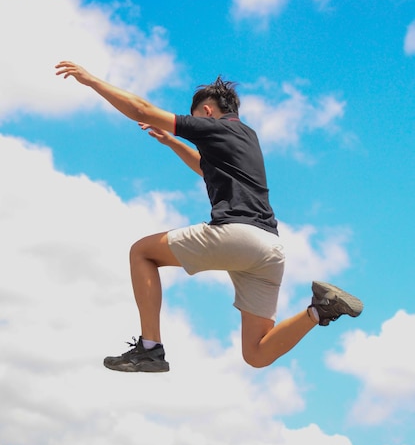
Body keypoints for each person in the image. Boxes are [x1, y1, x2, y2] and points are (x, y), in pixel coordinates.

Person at [55, 61, 364, 373]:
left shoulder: (214, 126)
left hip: (237, 235)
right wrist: (173, 142)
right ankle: (320, 310)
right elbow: (206, 168)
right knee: (256, 354)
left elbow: (140, 109)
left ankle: (150, 348)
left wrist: (91, 80)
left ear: (205, 111)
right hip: (269, 249)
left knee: (142, 252)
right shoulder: (247, 137)